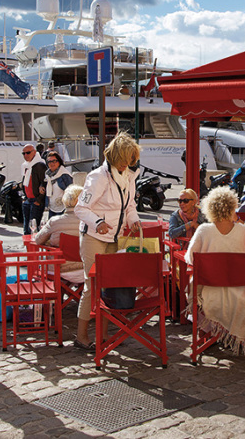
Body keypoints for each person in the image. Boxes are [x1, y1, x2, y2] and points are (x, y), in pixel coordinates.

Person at [73, 132, 142, 350]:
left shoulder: (129, 176)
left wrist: (134, 220)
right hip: (93, 237)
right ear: (115, 156)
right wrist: (98, 222)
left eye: (130, 160)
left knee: (110, 286)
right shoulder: (98, 177)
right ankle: (81, 336)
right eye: (124, 159)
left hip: (115, 237)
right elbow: (80, 208)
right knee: (92, 286)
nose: (126, 164)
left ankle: (104, 334)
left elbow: (130, 206)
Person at [184, 187, 245, 354]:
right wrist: (238, 219)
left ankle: (207, 333)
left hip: (210, 292)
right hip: (240, 293)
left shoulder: (204, 230)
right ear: (233, 207)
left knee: (192, 288)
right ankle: (225, 335)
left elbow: (190, 258)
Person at [34, 184, 84, 273]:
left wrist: (49, 242)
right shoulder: (91, 222)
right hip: (85, 269)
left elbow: (38, 240)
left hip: (58, 268)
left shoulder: (55, 221)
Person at [21, 143, 47, 234]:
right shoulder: (26, 165)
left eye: (28, 153)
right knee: (26, 229)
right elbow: (25, 182)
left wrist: (38, 200)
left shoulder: (40, 165)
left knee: (33, 229)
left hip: (35, 201)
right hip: (28, 200)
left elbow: (45, 183)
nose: (26, 155)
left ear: (34, 152)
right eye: (23, 153)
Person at [43, 152, 73, 219]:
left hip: (62, 208)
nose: (51, 163)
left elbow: (70, 191)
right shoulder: (48, 175)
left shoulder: (64, 174)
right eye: (49, 162)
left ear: (59, 161)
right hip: (51, 207)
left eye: (54, 161)